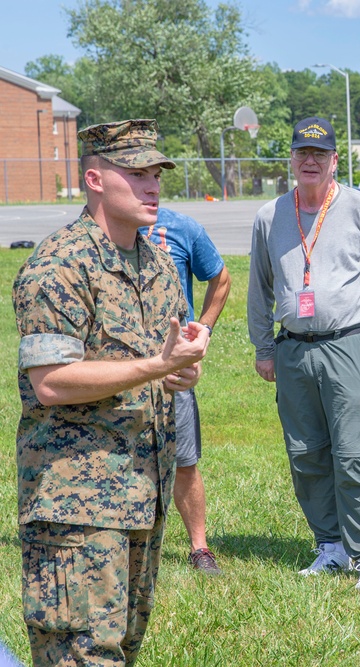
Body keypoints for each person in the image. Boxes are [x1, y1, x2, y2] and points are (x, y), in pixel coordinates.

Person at [13, 119, 209, 666]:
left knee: (122, 648)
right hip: (76, 501)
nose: (153, 187)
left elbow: (162, 367)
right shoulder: (58, 266)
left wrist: (180, 373)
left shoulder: (158, 267)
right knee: (82, 656)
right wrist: (155, 365)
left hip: (143, 492)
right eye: (138, 174)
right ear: (96, 179)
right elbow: (50, 382)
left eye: (157, 175)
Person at [247, 117, 360, 591]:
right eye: (302, 153)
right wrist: (264, 347)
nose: (311, 161)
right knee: (306, 454)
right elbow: (259, 289)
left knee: (354, 452)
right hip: (292, 349)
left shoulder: (359, 208)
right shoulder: (269, 215)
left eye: (320, 154)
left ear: (336, 160)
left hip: (347, 344)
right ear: (291, 160)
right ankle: (331, 546)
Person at [141, 208, 232, 575]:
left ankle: (200, 548)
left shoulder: (182, 227)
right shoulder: (101, 232)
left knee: (185, 461)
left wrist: (204, 328)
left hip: (173, 369)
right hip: (118, 367)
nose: (146, 185)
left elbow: (221, 279)